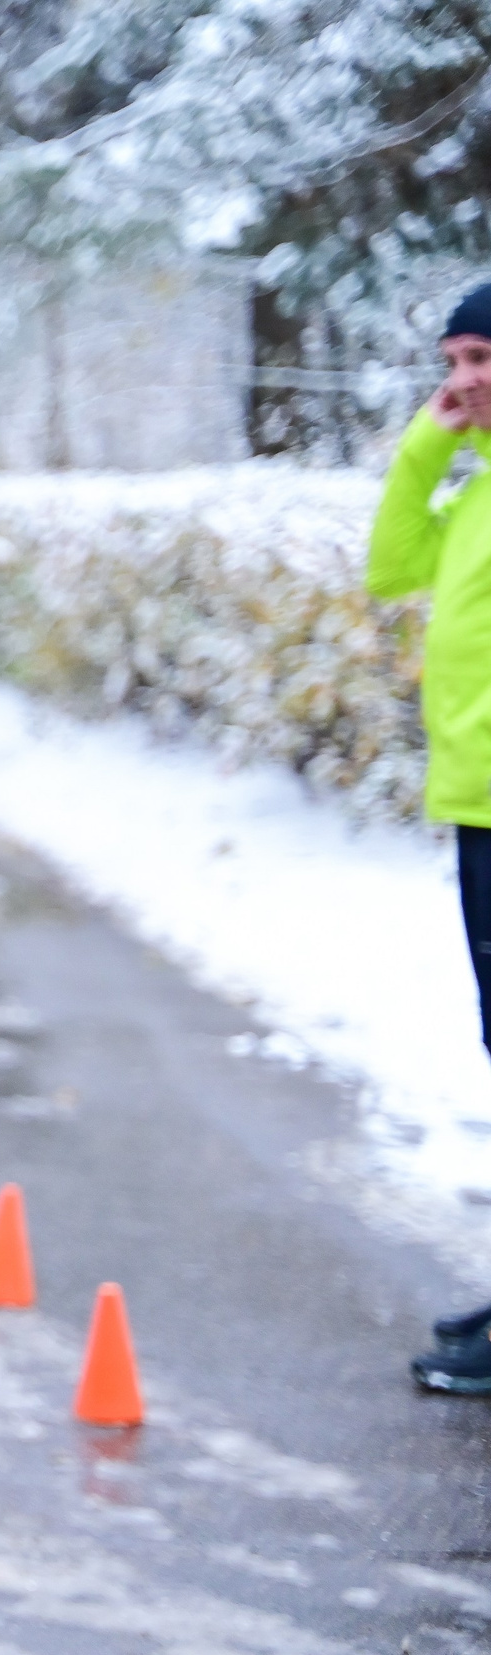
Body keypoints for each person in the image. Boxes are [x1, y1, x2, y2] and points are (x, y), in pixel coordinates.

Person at [372, 283, 491, 1396]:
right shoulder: (479, 488)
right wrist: (429, 439)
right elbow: (391, 564)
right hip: (475, 807)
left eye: (480, 358)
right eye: (452, 359)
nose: (461, 378)